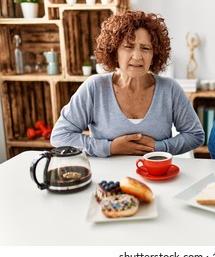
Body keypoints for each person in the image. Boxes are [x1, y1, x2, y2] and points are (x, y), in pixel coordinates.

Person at [51, 10, 204, 157]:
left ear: (154, 55)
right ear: (114, 51)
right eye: (128, 47)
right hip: (107, 178)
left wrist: (158, 147)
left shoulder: (170, 89)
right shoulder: (95, 87)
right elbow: (60, 136)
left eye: (145, 48)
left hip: (158, 177)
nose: (137, 56)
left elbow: (195, 135)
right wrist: (110, 148)